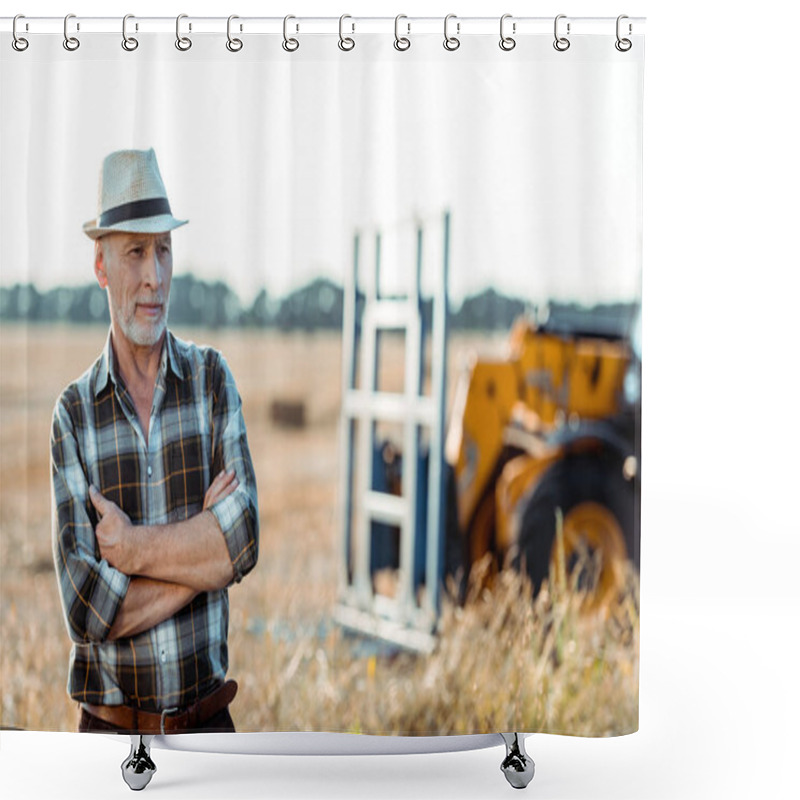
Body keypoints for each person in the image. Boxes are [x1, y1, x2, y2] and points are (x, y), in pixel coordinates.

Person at [50, 148, 259, 734]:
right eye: (136, 252)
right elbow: (86, 608)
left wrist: (134, 548)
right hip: (111, 737)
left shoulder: (212, 380)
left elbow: (241, 543)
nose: (155, 276)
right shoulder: (73, 415)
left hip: (208, 726)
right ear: (102, 265)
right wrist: (201, 554)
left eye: (164, 250)